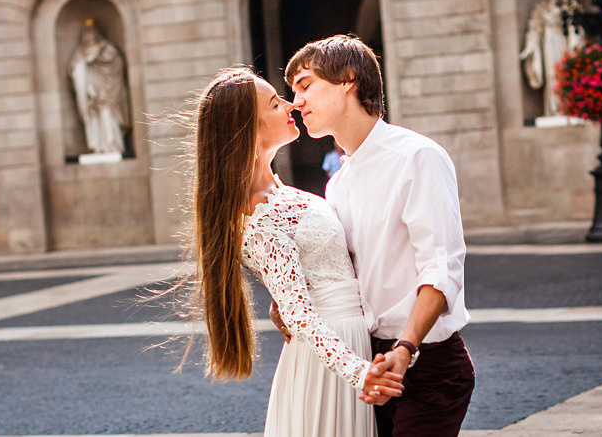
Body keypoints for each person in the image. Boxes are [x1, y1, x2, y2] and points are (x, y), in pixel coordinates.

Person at [189, 67, 404, 437]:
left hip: (347, 341)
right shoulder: (260, 215)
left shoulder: (277, 193)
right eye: (275, 103)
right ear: (250, 130)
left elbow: (300, 273)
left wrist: (283, 294)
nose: (289, 104)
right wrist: (360, 373)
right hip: (333, 361)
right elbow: (300, 318)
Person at [280, 35, 475, 437]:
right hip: (367, 362)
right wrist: (292, 298)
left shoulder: (417, 157)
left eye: (305, 85)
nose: (296, 102)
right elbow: (347, 272)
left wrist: (406, 348)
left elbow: (441, 268)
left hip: (429, 363)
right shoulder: (338, 184)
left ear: (348, 78)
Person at [68, 18, 130, 156]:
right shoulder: (80, 53)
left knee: (107, 114)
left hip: (107, 91)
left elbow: (117, 63)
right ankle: (98, 147)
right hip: (91, 94)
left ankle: (112, 145)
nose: (89, 37)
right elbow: (73, 70)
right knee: (94, 118)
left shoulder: (107, 48)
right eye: (86, 34)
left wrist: (97, 58)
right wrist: (82, 68)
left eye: (92, 33)